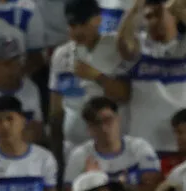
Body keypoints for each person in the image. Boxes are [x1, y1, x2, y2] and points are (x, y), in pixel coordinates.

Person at [116, 0, 186, 156]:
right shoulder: (140, 47)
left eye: (162, 14)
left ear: (175, 17)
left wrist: (182, 11)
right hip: (145, 147)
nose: (157, 20)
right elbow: (123, 45)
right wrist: (136, 8)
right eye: (150, 16)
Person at [62, 96, 161, 191]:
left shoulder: (139, 148)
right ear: (89, 128)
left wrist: (121, 186)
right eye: (96, 123)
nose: (104, 128)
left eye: (108, 120)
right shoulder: (80, 155)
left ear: (118, 119)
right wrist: (89, 184)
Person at [48, 0, 131, 161]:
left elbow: (124, 95)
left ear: (98, 19)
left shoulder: (115, 47)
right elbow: (56, 111)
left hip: (112, 146)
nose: (77, 30)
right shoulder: (61, 54)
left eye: (83, 23)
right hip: (73, 147)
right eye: (72, 25)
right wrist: (56, 152)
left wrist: (97, 76)